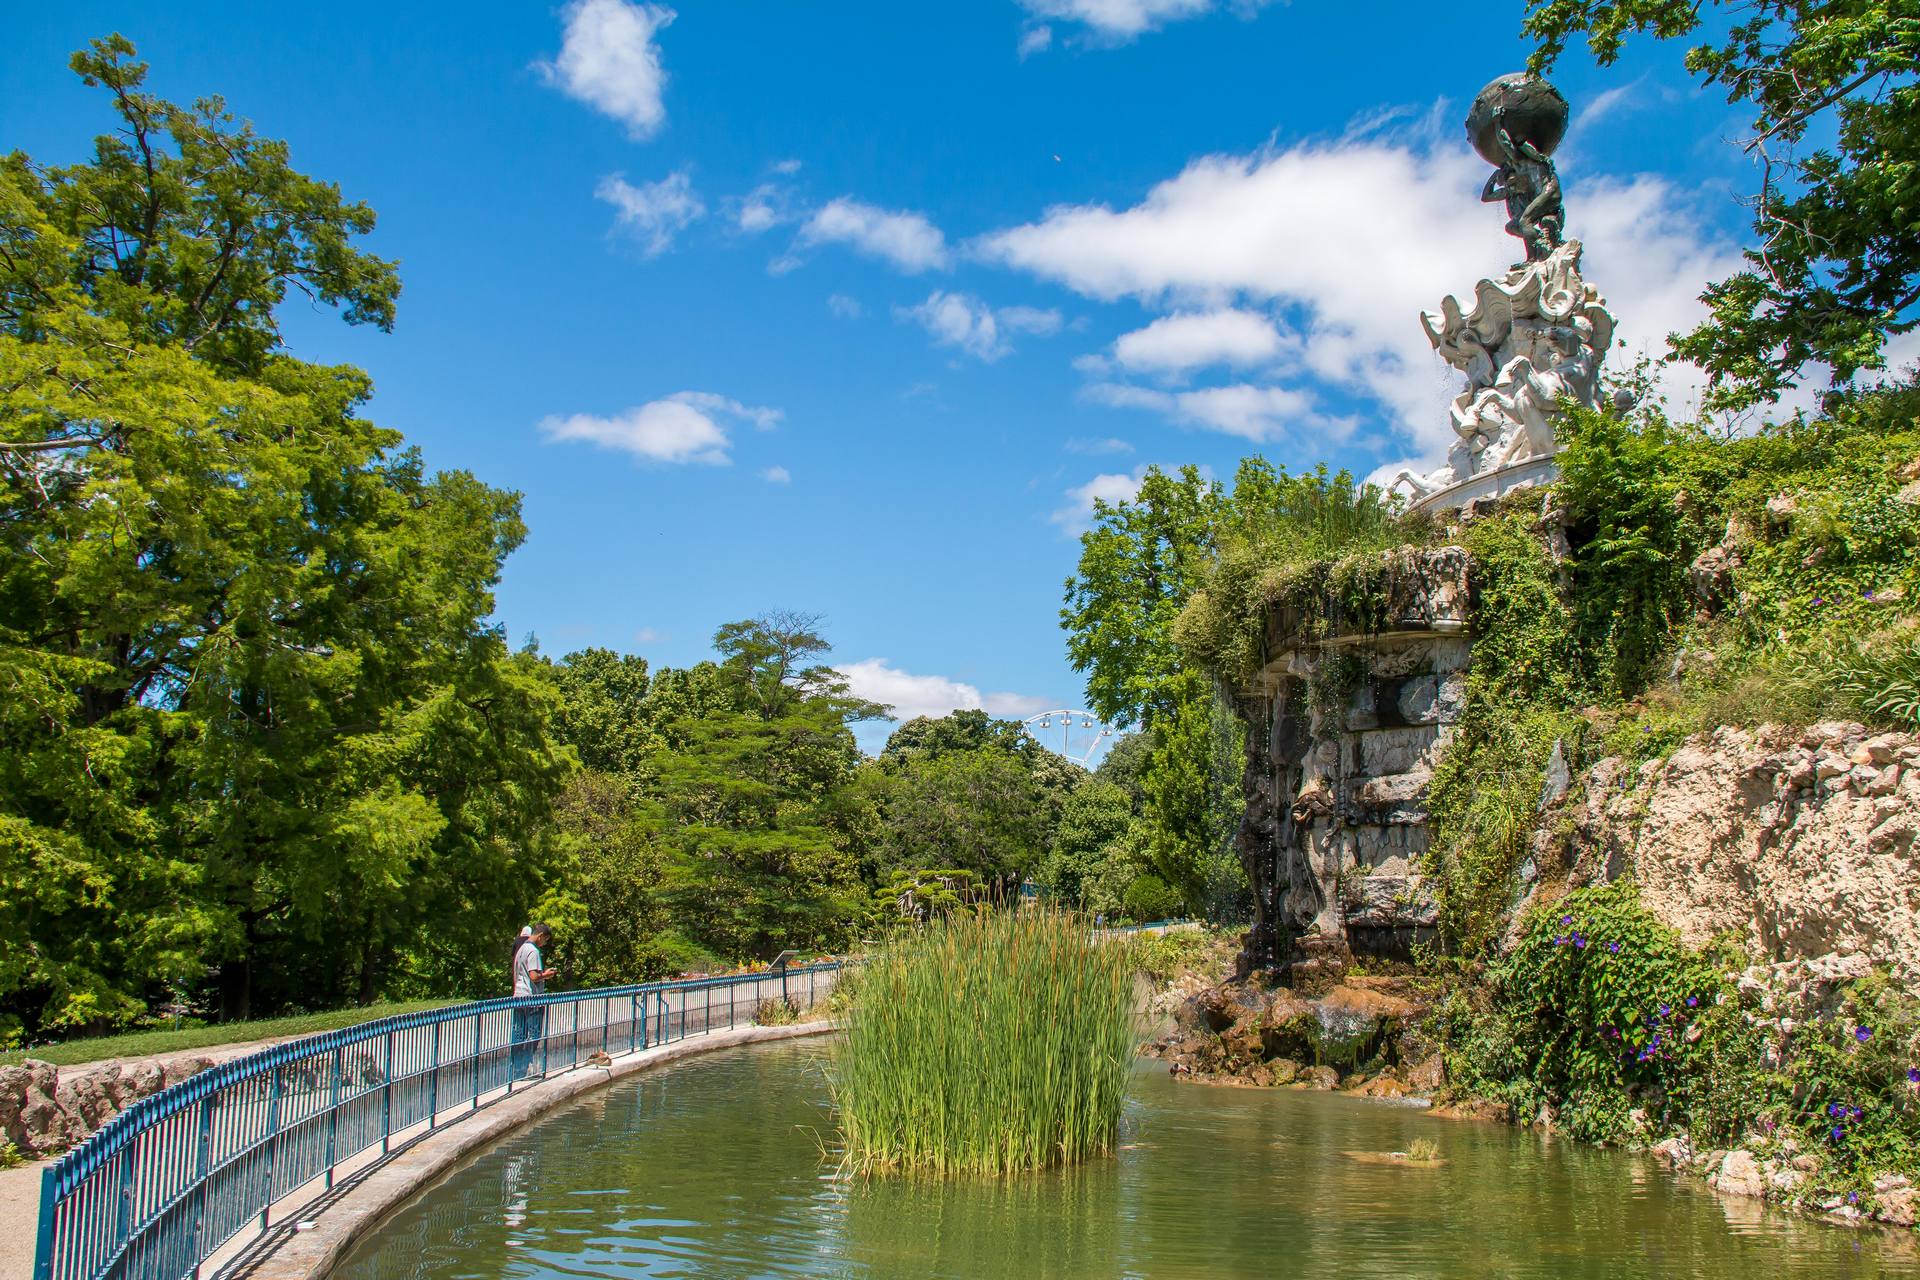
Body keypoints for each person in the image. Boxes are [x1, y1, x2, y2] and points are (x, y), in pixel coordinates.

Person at [509, 923, 557, 1079]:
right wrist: (547, 974)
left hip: (518, 996)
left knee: (519, 1034)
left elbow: (516, 973)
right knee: (534, 1034)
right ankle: (524, 1069)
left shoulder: (521, 949)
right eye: (545, 940)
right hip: (532, 998)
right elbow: (534, 976)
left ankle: (516, 1070)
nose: (544, 944)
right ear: (541, 936)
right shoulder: (533, 951)